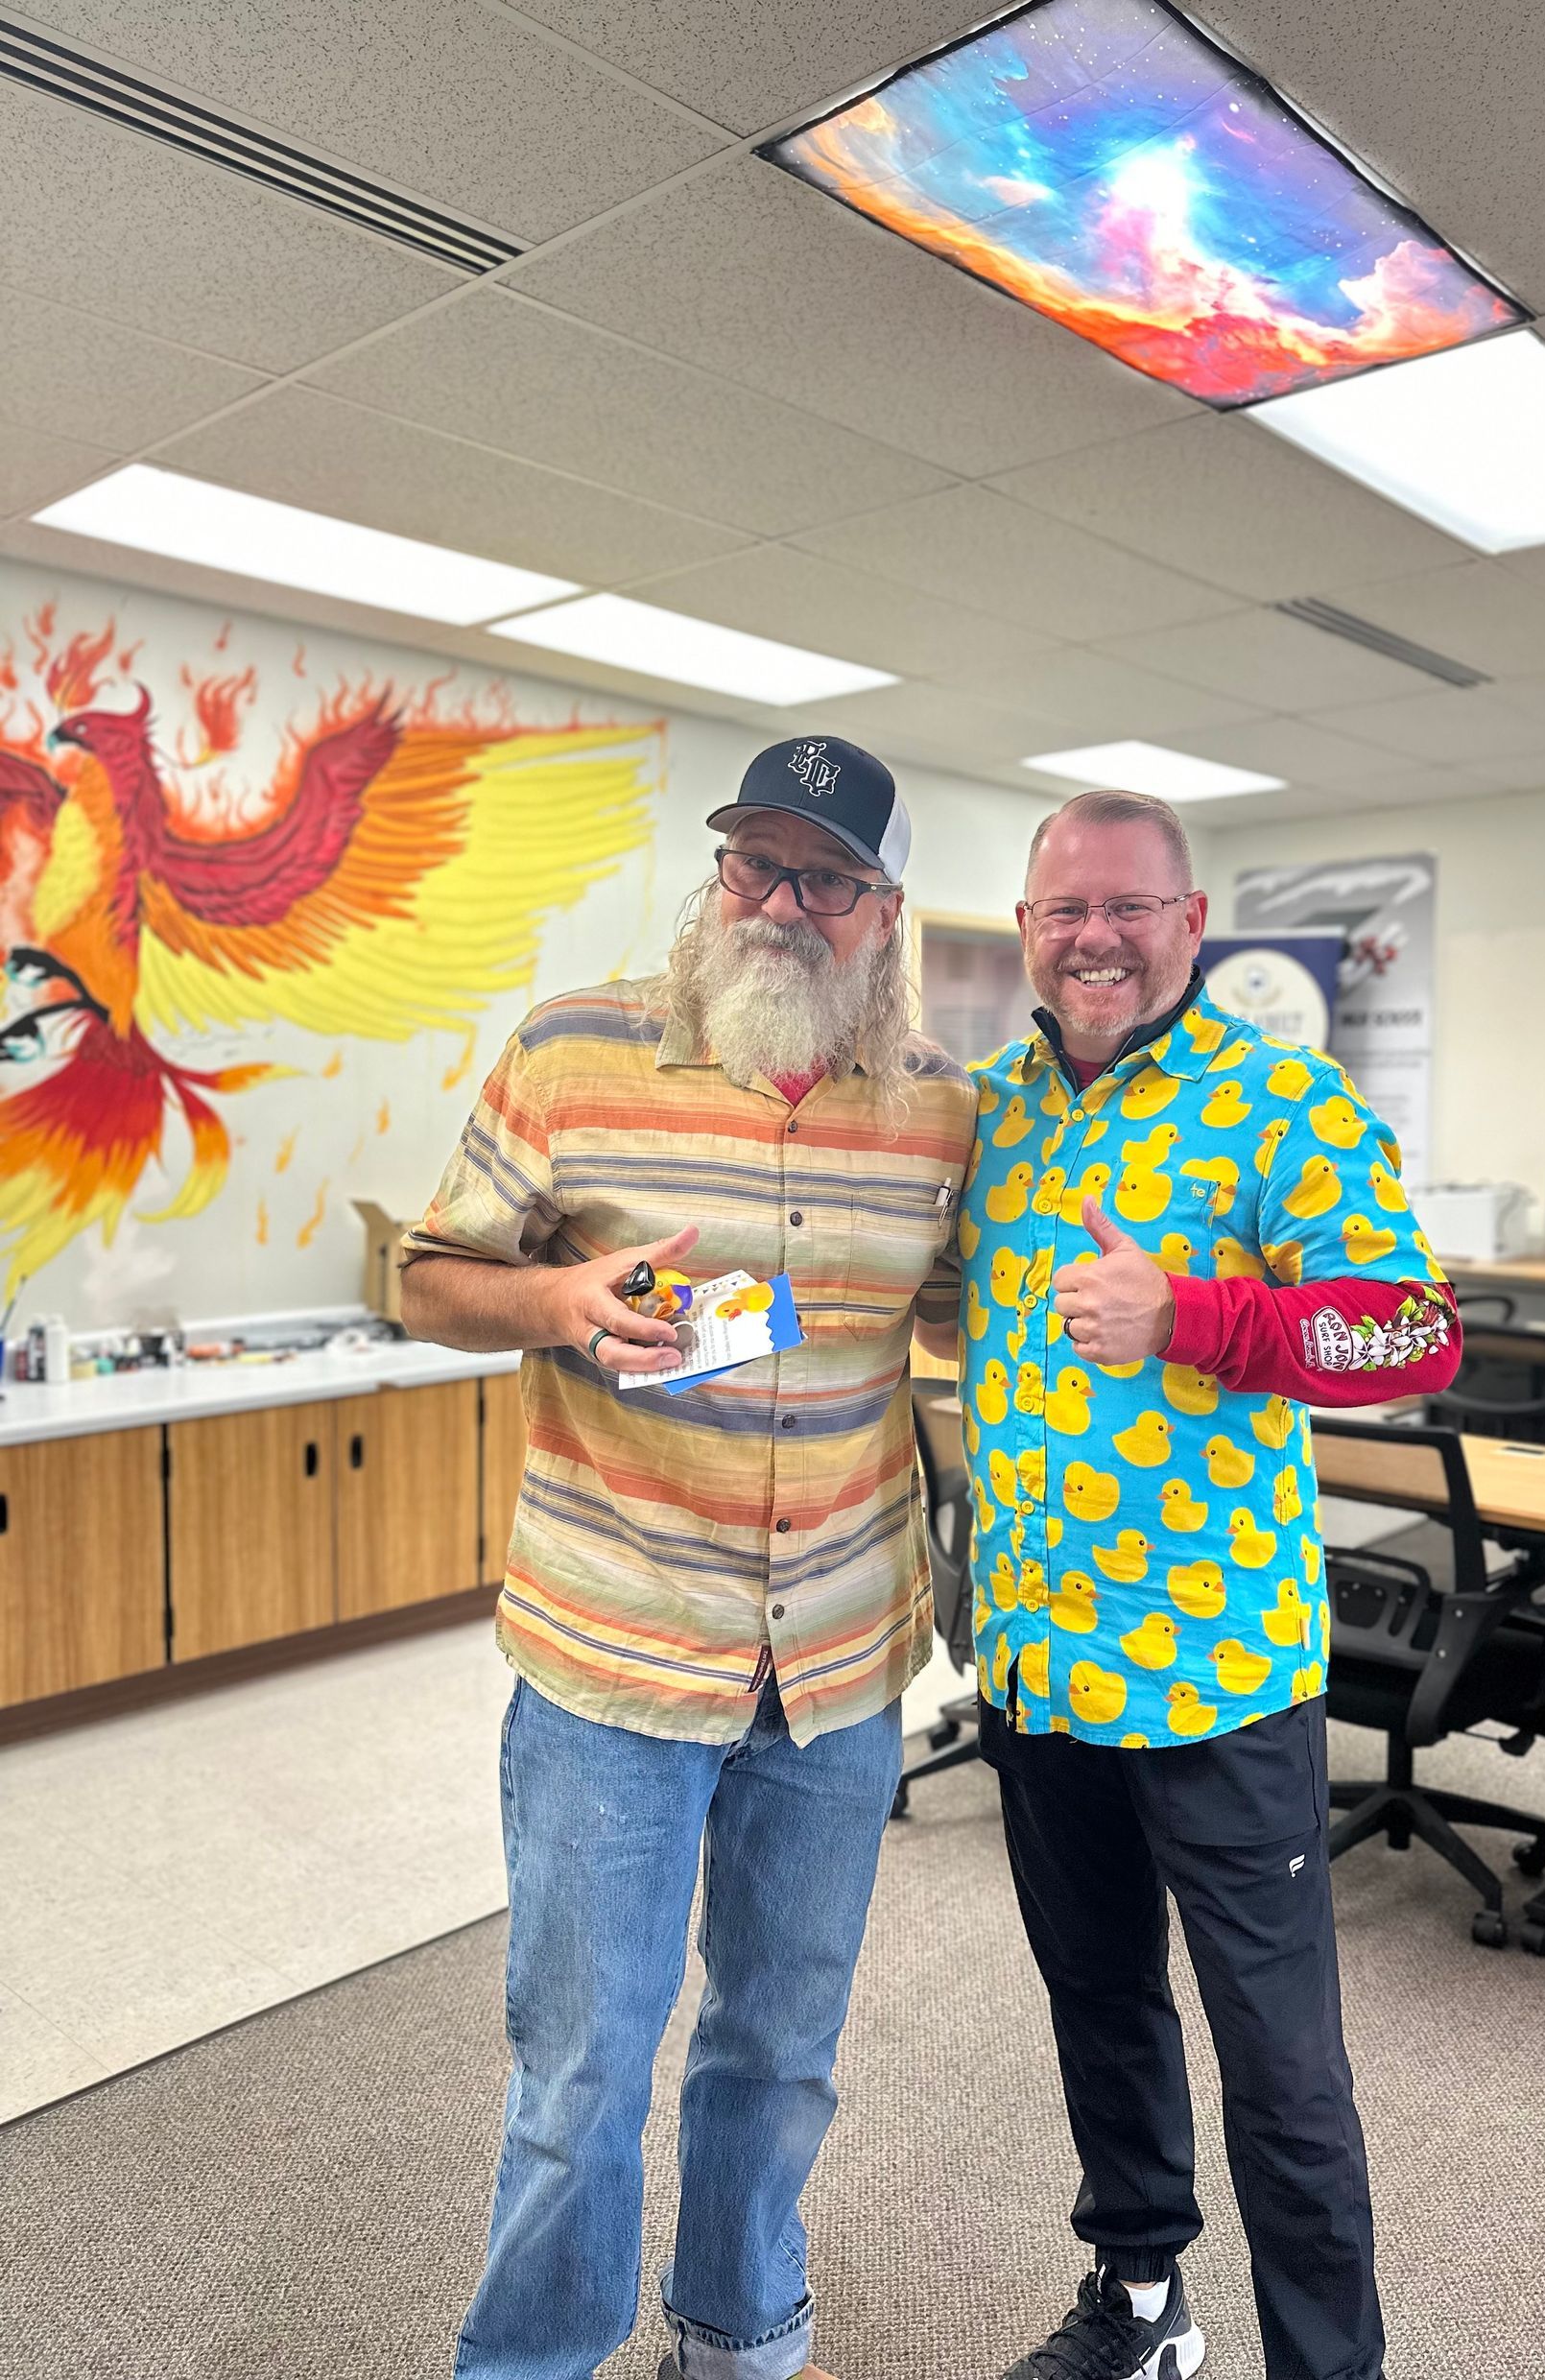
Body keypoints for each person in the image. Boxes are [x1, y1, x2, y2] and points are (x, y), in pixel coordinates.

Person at [402, 735, 974, 2380]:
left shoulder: (936, 1110)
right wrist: (556, 1305)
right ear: (718, 873)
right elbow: (433, 1275)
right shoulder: (576, 1053)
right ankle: (533, 2363)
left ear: (882, 909)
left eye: (826, 878)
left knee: (781, 2048)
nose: (783, 904)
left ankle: (739, 2337)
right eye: (755, 864)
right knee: (583, 2069)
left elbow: (956, 1342)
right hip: (615, 1652)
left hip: (844, 1668)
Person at [951, 788, 1462, 2380]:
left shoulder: (1282, 1105)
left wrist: (1200, 1318)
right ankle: (1144, 2306)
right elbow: (936, 1318)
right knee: (1102, 2006)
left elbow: (1415, 1335)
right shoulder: (990, 1114)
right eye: (1062, 912)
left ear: (1188, 926)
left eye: (1126, 908)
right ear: (1028, 932)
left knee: (1285, 2073)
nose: (1093, 937)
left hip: (1215, 1672)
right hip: (1037, 1664)